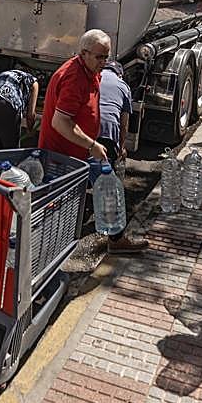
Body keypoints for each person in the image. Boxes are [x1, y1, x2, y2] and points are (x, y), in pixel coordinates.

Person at [39, 30, 147, 254]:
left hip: (81, 149)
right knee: (58, 209)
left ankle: (116, 239)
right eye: (99, 57)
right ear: (83, 53)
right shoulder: (74, 78)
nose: (104, 62)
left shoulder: (91, 70)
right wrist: (92, 145)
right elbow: (60, 122)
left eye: (107, 57)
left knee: (108, 188)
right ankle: (49, 255)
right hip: (63, 156)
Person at [0, 69, 39, 150]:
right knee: (11, 150)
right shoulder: (33, 81)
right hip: (5, 102)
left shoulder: (5, 74)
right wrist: (30, 130)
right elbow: (30, 115)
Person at [96, 60, 132, 175]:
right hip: (109, 130)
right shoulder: (124, 86)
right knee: (106, 170)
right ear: (119, 74)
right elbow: (124, 123)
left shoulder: (95, 77)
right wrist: (121, 148)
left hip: (90, 126)